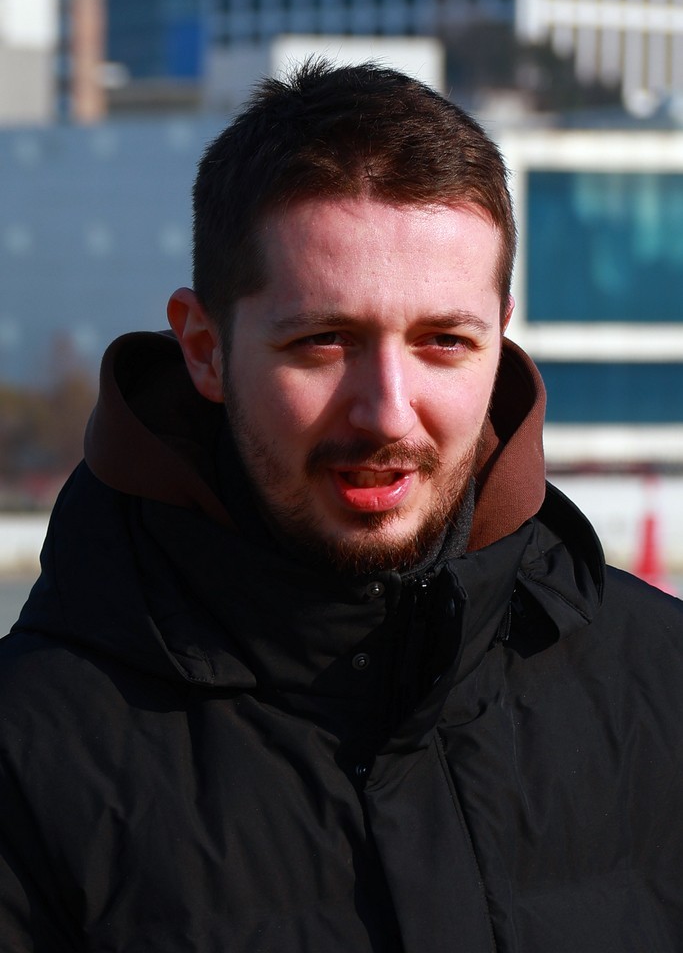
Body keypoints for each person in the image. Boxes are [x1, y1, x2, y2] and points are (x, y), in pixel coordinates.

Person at [1, 59, 683, 953]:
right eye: (324, 341)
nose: (387, 413)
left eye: (444, 341)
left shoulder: (661, 682)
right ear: (204, 348)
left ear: (499, 337)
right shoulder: (28, 754)